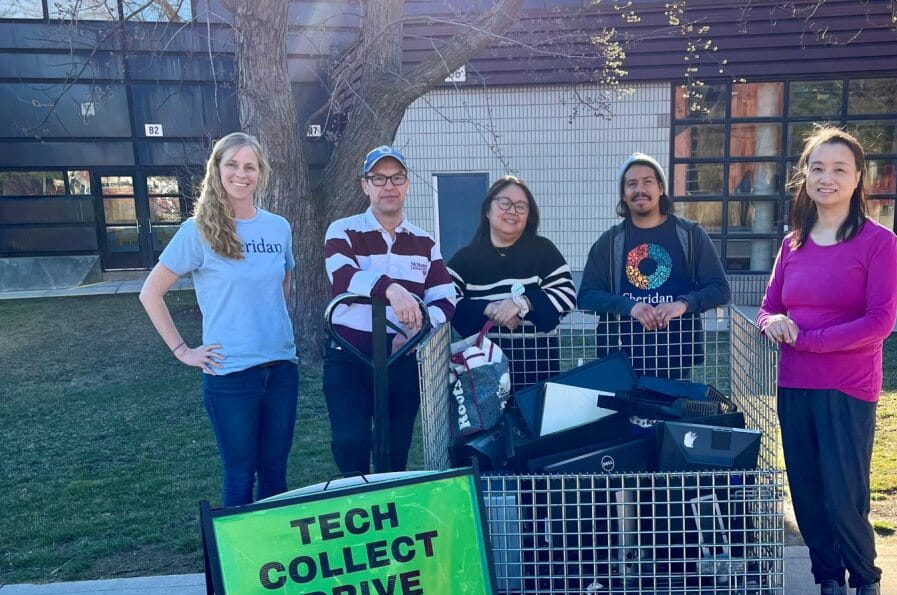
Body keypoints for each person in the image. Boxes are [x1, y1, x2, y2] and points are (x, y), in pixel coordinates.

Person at [756, 126, 897, 595]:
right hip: (795, 386)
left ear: (859, 177)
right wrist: (772, 323)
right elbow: (769, 307)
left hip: (847, 387)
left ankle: (866, 586)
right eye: (818, 167)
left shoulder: (878, 243)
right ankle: (829, 590)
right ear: (805, 174)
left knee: (845, 495)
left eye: (840, 168)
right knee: (810, 494)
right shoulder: (792, 243)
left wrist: (808, 339)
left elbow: (878, 322)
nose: (827, 177)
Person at [139, 132, 298, 507]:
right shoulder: (196, 231)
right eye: (232, 164)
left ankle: (273, 557)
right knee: (241, 476)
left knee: (276, 474)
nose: (241, 174)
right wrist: (182, 350)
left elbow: (284, 279)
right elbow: (150, 292)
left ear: (261, 173)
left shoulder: (279, 227)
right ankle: (237, 565)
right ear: (217, 169)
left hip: (281, 370)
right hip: (230, 375)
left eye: (249, 166)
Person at [323, 145, 456, 475]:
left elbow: (445, 299)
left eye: (397, 178)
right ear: (364, 185)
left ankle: (389, 514)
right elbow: (342, 277)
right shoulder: (343, 230)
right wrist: (392, 289)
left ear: (407, 184)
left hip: (401, 360)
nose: (388, 186)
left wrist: (418, 329)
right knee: (350, 443)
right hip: (349, 358)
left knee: (395, 451)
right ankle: (356, 505)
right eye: (378, 178)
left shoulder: (425, 242)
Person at [578, 153, 730, 379]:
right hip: (621, 359)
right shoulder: (609, 242)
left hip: (676, 357)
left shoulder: (690, 235)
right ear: (623, 195)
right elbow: (586, 296)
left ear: (660, 188)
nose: (640, 189)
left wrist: (683, 304)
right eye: (632, 184)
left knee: (670, 414)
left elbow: (720, 290)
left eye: (647, 181)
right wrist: (630, 307)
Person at [447, 175, 576, 390]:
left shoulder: (543, 251)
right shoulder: (466, 258)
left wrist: (521, 302)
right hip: (482, 377)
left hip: (536, 373)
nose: (512, 211)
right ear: (488, 210)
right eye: (504, 203)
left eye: (521, 206)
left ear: (529, 216)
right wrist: (489, 309)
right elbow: (445, 299)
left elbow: (567, 295)